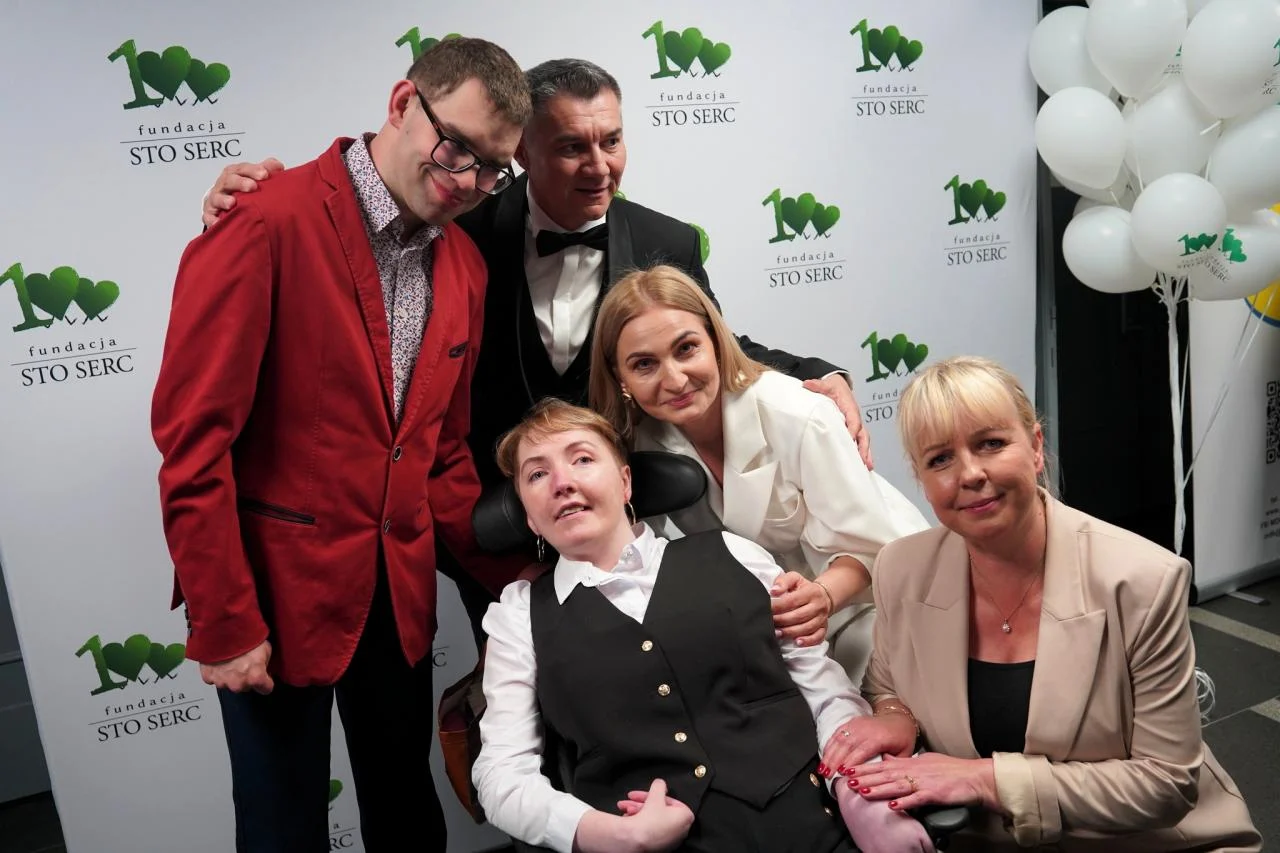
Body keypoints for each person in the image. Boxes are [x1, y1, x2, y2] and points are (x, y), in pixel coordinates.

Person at [150, 38, 532, 852]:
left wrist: (517, 579)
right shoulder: (264, 220)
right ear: (402, 103)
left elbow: (444, 456)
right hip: (272, 602)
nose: (468, 180)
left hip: (398, 603)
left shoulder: (465, 264)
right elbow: (194, 446)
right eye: (456, 147)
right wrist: (225, 619)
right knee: (283, 828)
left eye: (492, 169)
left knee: (409, 818)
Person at [822, 356, 1262, 852]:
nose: (970, 473)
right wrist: (894, 715)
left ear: (1035, 447)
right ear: (920, 479)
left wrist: (986, 779)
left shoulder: (1142, 580)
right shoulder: (902, 568)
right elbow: (886, 682)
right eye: (940, 459)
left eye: (991, 444)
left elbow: (1165, 784)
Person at [471, 399, 935, 853]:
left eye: (583, 459)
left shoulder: (735, 554)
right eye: (537, 474)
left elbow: (824, 692)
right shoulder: (518, 616)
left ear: (626, 481)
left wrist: (860, 789)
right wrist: (610, 835)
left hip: (815, 826)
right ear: (529, 516)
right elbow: (501, 774)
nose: (562, 483)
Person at [588, 264, 930, 685]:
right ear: (620, 378)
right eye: (644, 364)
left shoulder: (799, 414)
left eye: (686, 349)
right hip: (769, 633)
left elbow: (873, 550)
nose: (674, 380)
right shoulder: (636, 447)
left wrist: (821, 597)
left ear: (717, 342)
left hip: (879, 605)